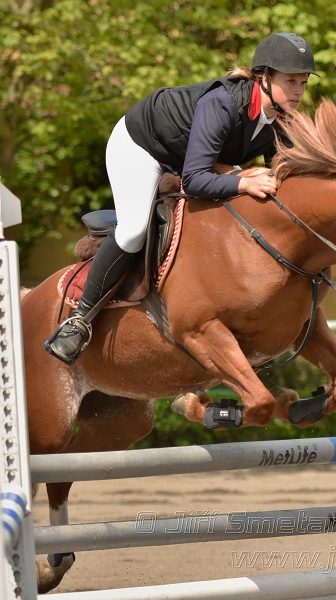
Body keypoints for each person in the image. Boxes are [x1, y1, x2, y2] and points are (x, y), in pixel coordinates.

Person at [45, 32, 317, 365]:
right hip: (142, 145)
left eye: (303, 82)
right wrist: (242, 183)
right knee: (133, 230)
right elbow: (195, 179)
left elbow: (287, 184)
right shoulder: (223, 103)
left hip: (190, 154)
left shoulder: (282, 120)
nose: (298, 91)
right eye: (290, 81)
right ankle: (79, 322)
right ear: (263, 78)